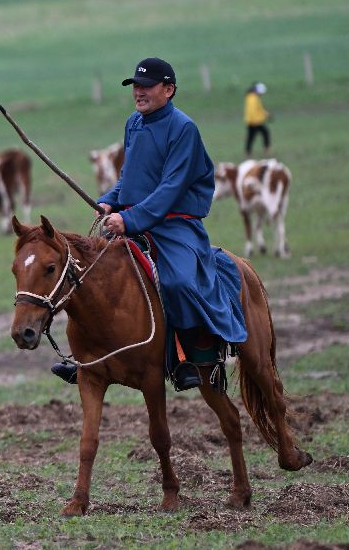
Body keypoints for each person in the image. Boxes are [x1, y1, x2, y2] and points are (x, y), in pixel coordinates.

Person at [97, 57, 246, 391]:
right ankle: (94, 357)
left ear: (168, 89)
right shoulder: (133, 123)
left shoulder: (183, 129)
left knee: (178, 282)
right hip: (135, 220)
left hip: (175, 224)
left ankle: (190, 359)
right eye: (135, 86)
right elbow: (129, 178)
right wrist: (109, 200)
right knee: (92, 272)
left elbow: (170, 188)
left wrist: (128, 218)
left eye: (146, 86)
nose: (139, 92)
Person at [243, 81, 271, 155]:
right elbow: (252, 111)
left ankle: (248, 152)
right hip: (254, 122)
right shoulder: (252, 98)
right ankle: (265, 149)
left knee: (251, 137)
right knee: (263, 133)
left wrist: (267, 114)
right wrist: (254, 121)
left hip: (254, 121)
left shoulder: (253, 97)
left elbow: (259, 109)